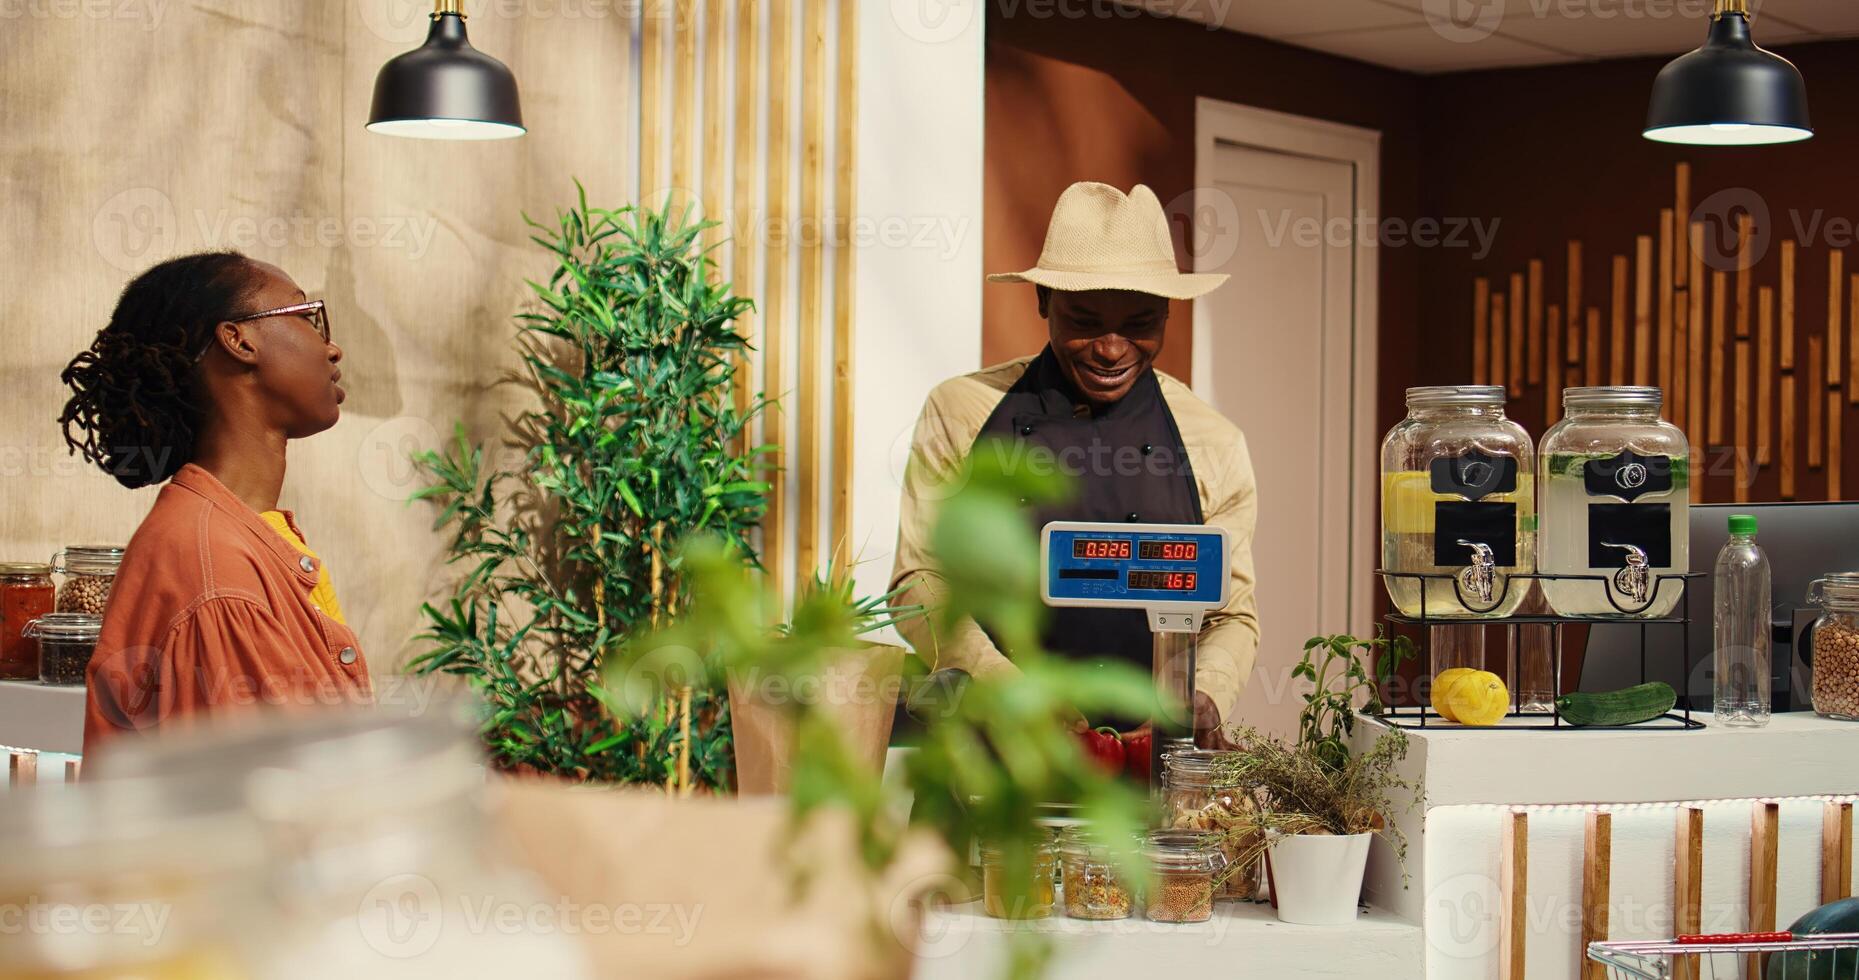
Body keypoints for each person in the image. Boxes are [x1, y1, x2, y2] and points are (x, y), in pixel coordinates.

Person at [891, 182, 1260, 748]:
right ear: (1043, 304)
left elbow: (1231, 615)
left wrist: (1202, 693)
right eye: (1085, 319)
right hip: (987, 754)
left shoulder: (1214, 441)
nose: (1111, 349)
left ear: (1166, 312)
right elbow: (919, 582)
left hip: (1149, 763)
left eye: (1139, 322)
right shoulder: (961, 412)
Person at [60, 250, 371, 753]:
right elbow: (267, 810)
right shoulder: (218, 575)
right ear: (239, 340)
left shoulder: (246, 537)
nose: (331, 348)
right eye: (307, 316)